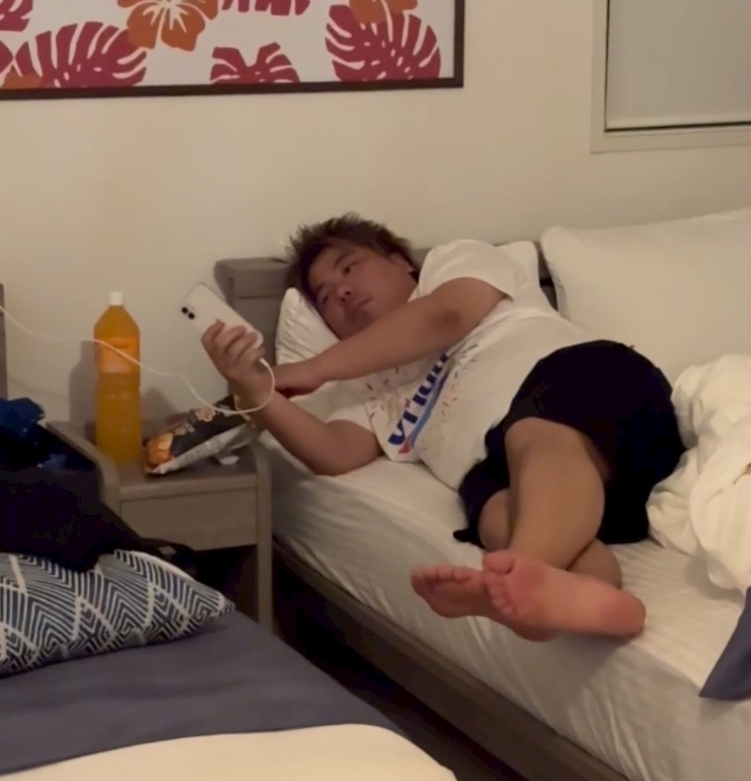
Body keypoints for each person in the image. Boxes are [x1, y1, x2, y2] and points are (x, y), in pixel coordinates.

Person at [202, 214, 683, 642]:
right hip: (532, 481)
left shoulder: (453, 265)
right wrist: (254, 389)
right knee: (493, 511)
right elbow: (333, 452)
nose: (342, 292)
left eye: (349, 268)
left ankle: (519, 582)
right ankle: (589, 598)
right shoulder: (367, 385)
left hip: (596, 387)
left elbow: (444, 316)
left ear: (401, 262)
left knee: (533, 436)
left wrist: (312, 369)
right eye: (326, 297)